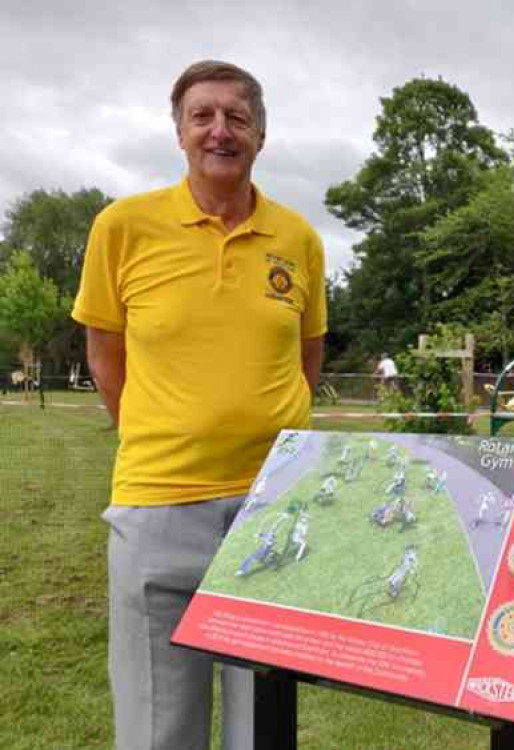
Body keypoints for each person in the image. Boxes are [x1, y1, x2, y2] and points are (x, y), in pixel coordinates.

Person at [71, 60, 327, 750]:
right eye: (203, 115)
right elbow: (105, 356)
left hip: (272, 509)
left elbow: (306, 355)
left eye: (236, 117)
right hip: (158, 506)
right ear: (180, 132)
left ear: (260, 136)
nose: (220, 130)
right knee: (160, 728)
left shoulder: (299, 239)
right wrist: (162, 437)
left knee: (261, 728)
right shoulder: (122, 227)